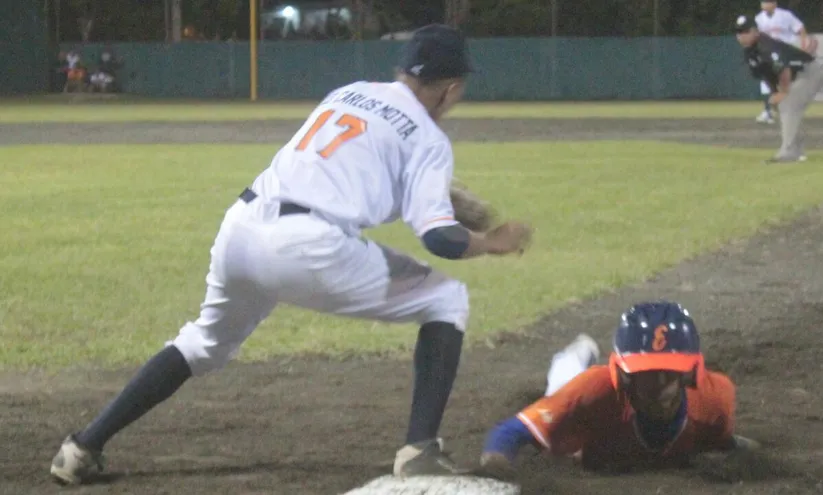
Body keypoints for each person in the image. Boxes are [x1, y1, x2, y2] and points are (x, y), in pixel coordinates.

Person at [49, 23, 533, 486]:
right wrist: (491, 242)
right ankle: (420, 451)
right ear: (449, 88)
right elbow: (439, 240)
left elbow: (350, 164)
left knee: (204, 342)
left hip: (241, 228)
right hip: (309, 246)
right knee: (446, 301)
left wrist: (441, 199)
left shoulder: (348, 92)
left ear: (406, 70)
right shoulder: (429, 138)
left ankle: (83, 448)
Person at [479, 301, 759, 476]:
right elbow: (511, 432)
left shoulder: (715, 397)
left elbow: (721, 441)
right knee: (561, 393)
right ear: (625, 375)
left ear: (689, 372)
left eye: (669, 371)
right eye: (647, 373)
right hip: (584, 404)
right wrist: (497, 467)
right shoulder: (595, 393)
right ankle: (574, 356)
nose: (660, 384)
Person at [735, 14, 823, 164]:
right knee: (783, 105)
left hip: (809, 72)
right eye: (738, 32)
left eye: (744, 32)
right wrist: (775, 93)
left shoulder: (765, 45)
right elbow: (767, 75)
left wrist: (783, 93)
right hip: (796, 76)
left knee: (788, 103)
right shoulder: (749, 52)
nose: (740, 36)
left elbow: (783, 69)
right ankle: (796, 151)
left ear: (754, 31)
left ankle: (789, 152)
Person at [753, 1, 814, 124]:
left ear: (775, 3)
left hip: (784, 52)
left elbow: (800, 28)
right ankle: (769, 111)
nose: (764, 4)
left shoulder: (785, 15)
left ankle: (775, 111)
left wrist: (803, 46)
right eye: (763, 2)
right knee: (766, 82)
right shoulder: (758, 19)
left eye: (768, 2)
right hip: (769, 54)